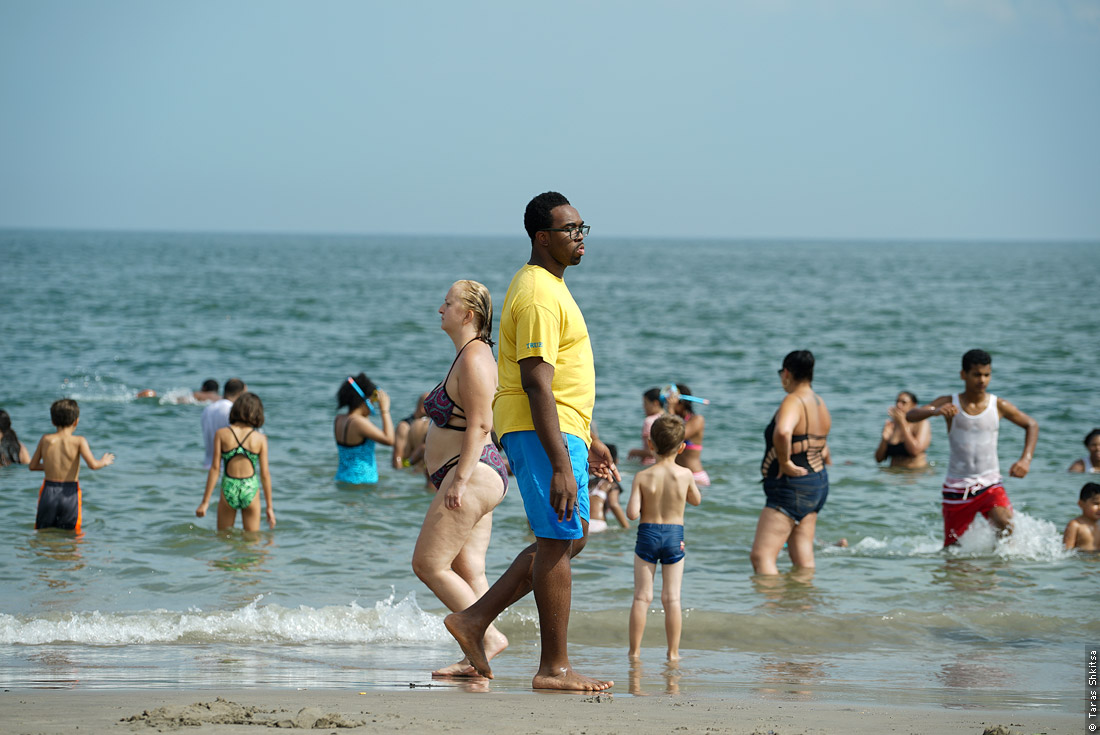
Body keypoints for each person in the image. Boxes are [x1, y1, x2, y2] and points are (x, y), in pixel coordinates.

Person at [443, 191, 617, 692]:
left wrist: (592, 437)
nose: (580, 237)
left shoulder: (551, 287)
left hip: (565, 428)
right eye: (570, 230)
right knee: (560, 538)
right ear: (543, 238)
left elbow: (564, 377)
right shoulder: (539, 292)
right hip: (545, 431)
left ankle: (474, 620)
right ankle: (553, 668)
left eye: (583, 227)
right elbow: (537, 381)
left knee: (569, 536)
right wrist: (562, 462)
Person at [411, 280, 511, 678]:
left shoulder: (474, 358)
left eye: (448, 303)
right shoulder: (470, 355)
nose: (440, 309)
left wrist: (459, 480)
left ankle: (486, 637)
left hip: (472, 472)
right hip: (473, 471)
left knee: (428, 564)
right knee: (469, 568)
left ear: (468, 315)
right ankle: (476, 657)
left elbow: (482, 423)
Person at [906, 349, 1039, 547]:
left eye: (987, 374)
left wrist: (1025, 459)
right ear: (963, 375)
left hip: (990, 484)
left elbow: (1031, 425)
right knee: (952, 548)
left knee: (1006, 528)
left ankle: (994, 573)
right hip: (957, 487)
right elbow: (911, 415)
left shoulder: (998, 405)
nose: (982, 380)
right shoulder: (949, 403)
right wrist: (936, 411)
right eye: (976, 374)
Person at [626, 414, 702, 661]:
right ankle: (673, 653)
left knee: (641, 597)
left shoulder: (642, 476)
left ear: (651, 445)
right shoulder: (686, 474)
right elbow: (696, 500)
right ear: (681, 447)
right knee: (672, 598)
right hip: (674, 536)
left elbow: (632, 513)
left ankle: (635, 652)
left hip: (647, 534)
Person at [750, 351, 832, 575]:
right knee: (802, 557)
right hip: (817, 482)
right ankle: (802, 606)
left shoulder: (793, 400)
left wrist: (785, 462)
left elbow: (784, 431)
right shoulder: (819, 402)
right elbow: (823, 446)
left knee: (761, 556)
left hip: (791, 486)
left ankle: (770, 607)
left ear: (786, 373)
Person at [28, 399, 115, 532]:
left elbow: (32, 466)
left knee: (43, 531)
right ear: (76, 421)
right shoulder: (79, 441)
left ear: (52, 421)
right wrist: (104, 461)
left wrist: (53, 466)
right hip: (70, 493)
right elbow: (93, 465)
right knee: (72, 533)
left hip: (48, 491)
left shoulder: (46, 439)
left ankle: (45, 552)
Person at [197, 392, 275, 531]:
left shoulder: (221, 434)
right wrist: (269, 507)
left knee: (224, 540)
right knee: (252, 542)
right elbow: (265, 474)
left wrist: (205, 502)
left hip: (229, 487)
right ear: (257, 412)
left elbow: (215, 469)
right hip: (250, 488)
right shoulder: (260, 438)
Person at [333, 374, 394, 484]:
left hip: (342, 478)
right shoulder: (359, 423)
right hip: (363, 483)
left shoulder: (339, 419)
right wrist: (385, 411)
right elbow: (389, 439)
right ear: (365, 400)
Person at [874, 391, 932, 469]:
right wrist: (884, 440)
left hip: (914, 474)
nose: (898, 405)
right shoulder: (892, 425)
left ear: (914, 406)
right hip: (894, 474)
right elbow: (879, 459)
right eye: (897, 402)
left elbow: (915, 451)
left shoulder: (921, 423)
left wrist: (902, 424)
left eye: (904, 402)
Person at [667, 384, 709, 486]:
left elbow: (676, 435)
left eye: (674, 402)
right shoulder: (675, 421)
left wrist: (671, 410)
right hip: (678, 475)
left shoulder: (697, 420)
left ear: (682, 403)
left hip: (695, 476)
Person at [201, 378, 245, 470]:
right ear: (240, 394)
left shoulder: (208, 409)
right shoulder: (232, 410)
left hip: (207, 465)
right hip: (226, 467)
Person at [589, 443, 629, 533]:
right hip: (597, 525)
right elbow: (614, 505)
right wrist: (627, 528)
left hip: (581, 523)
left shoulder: (589, 482)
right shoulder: (611, 484)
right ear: (616, 461)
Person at [627, 388, 665, 465]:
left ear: (655, 403)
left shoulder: (649, 421)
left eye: (645, 403)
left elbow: (651, 452)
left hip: (650, 464)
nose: (643, 407)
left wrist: (633, 452)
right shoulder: (669, 419)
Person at [392, 393, 429, 469]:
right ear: (423, 408)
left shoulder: (431, 424)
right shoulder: (404, 426)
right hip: (409, 467)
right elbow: (397, 458)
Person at [1063, 482, 1100, 551]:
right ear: (1081, 504)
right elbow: (1066, 551)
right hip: (1083, 560)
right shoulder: (1075, 525)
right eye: (1096, 503)